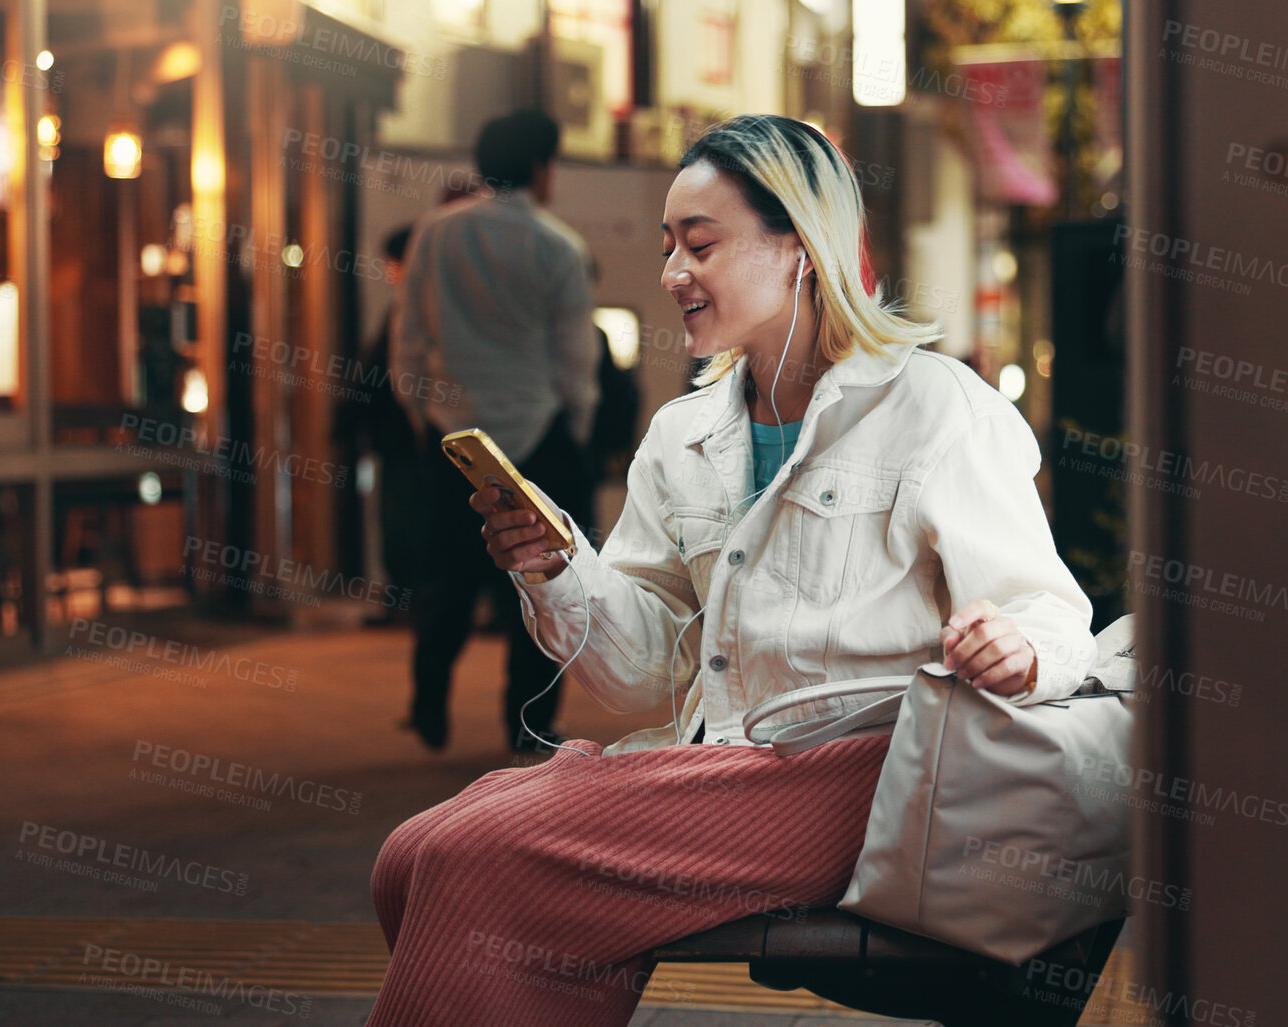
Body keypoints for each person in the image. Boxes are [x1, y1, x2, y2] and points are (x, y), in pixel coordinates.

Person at [367, 114, 1095, 1025]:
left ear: (798, 243)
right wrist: (554, 569)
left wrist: (1015, 646)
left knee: (478, 855)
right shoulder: (683, 435)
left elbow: (1053, 613)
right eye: (670, 245)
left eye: (699, 245)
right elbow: (634, 671)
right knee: (412, 849)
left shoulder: (936, 408)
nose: (673, 272)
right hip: (725, 770)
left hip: (871, 784)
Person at [392, 110, 599, 753]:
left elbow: (410, 344)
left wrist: (425, 419)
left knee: (445, 578)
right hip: (537, 439)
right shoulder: (559, 246)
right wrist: (579, 429)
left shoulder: (434, 234)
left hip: (456, 441)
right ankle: (528, 724)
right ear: (541, 167)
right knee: (540, 581)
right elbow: (575, 361)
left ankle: (429, 703)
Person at [334, 225, 420, 625]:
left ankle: (405, 601)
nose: (389, 271)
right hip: (408, 440)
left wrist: (346, 420)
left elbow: (376, 374)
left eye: (393, 262)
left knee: (402, 521)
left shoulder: (410, 308)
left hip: (405, 441)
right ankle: (406, 599)